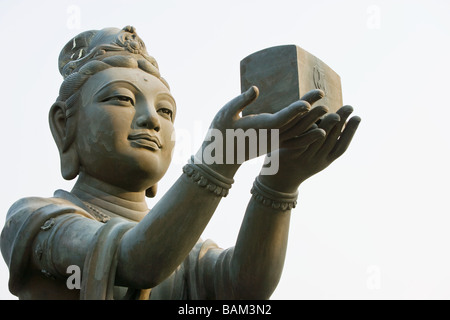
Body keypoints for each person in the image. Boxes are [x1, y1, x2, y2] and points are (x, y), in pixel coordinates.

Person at [0, 26, 360, 299]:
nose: (151, 120)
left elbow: (243, 286)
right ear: (65, 125)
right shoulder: (36, 220)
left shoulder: (188, 253)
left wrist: (278, 183)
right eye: (122, 100)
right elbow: (137, 260)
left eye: (165, 110)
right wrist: (217, 160)